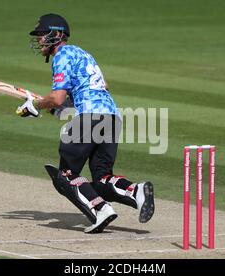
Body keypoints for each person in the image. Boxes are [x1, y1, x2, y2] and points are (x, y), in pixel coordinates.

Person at [16, 13, 154, 233]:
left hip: (91, 116)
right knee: (101, 179)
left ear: (57, 34)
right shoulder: (83, 54)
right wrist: (58, 107)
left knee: (65, 177)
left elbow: (57, 97)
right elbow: (102, 86)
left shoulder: (62, 56)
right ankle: (135, 191)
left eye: (43, 34)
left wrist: (36, 106)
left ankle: (100, 210)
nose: (40, 39)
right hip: (111, 116)